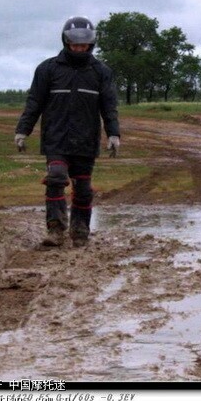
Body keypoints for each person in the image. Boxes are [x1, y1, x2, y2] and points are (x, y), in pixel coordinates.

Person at [14, 16, 120, 248]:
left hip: (86, 139)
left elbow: (109, 107)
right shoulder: (47, 69)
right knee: (55, 178)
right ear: (66, 41)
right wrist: (23, 130)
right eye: (75, 43)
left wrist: (114, 134)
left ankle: (80, 231)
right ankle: (55, 229)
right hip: (56, 137)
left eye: (84, 44)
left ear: (91, 43)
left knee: (83, 189)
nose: (79, 48)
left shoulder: (101, 72)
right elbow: (34, 103)